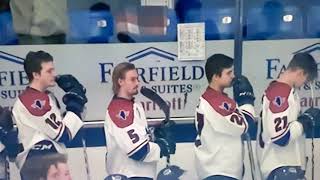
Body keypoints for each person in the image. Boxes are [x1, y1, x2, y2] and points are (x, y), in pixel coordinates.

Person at [12, 50, 87, 179]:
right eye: (49, 71)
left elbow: (60, 127)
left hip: (46, 161)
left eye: (53, 70)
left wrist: (77, 103)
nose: (54, 74)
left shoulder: (46, 96)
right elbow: (63, 134)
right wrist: (75, 104)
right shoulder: (33, 101)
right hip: (39, 164)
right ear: (35, 74)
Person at [104, 62, 176, 179]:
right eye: (132, 79)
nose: (137, 83)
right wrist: (162, 146)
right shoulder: (119, 110)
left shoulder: (133, 106)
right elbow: (138, 152)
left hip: (138, 175)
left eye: (137, 79)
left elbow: (137, 139)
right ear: (120, 81)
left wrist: (156, 136)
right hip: (128, 175)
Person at [257, 52, 319, 180]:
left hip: (285, 167)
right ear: (301, 73)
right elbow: (280, 137)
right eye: (306, 80)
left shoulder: (283, 91)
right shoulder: (280, 92)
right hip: (281, 167)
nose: (304, 85)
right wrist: (304, 122)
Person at [194, 54, 256, 180]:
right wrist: (246, 99)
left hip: (218, 170)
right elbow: (244, 125)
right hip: (219, 172)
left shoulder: (216, 99)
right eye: (228, 73)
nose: (233, 76)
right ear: (216, 77)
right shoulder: (216, 102)